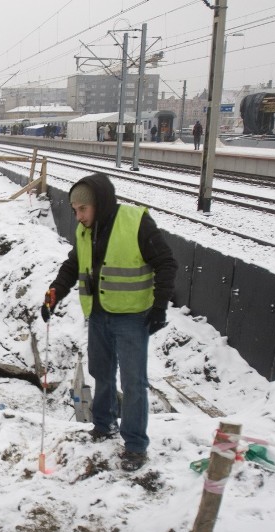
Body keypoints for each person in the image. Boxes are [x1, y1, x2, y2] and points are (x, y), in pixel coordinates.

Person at [41, 173, 176, 472]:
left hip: (131, 316)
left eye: (81, 210)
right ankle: (103, 426)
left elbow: (166, 262)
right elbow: (73, 264)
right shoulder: (86, 230)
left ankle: (135, 446)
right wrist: (54, 293)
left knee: (133, 381)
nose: (77, 217)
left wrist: (159, 307)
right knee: (101, 372)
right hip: (99, 313)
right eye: (74, 210)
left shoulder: (136, 222)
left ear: (98, 205)